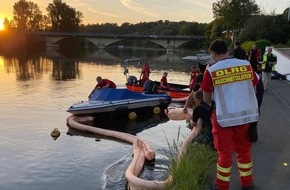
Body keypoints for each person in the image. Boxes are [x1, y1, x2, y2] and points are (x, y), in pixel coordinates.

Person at [201, 39, 259, 190]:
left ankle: (222, 186)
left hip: (223, 119)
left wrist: (209, 105)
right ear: (227, 50)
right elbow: (254, 85)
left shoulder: (211, 70)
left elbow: (206, 95)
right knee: (244, 151)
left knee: (225, 154)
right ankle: (247, 184)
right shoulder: (245, 65)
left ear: (213, 54)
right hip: (245, 116)